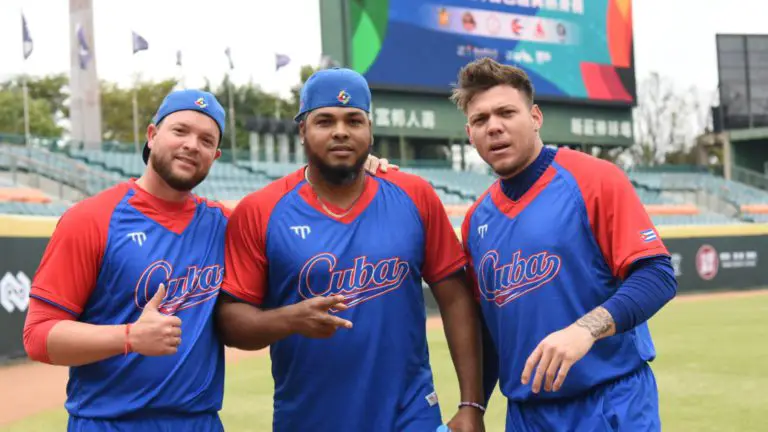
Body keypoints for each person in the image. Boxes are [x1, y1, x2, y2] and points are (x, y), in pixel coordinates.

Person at [22, 88, 394, 432]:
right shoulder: (92, 219)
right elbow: (38, 336)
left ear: (215, 156)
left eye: (206, 140)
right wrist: (130, 337)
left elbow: (299, 210)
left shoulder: (225, 225)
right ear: (152, 135)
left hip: (200, 422)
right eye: (180, 131)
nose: (191, 146)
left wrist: (358, 168)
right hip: (110, 422)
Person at [216, 67, 486, 432]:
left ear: (369, 130)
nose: (340, 131)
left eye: (354, 120)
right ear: (302, 130)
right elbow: (231, 323)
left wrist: (472, 403)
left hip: (410, 416)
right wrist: (289, 319)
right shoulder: (261, 209)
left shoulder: (414, 194)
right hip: (308, 418)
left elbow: (455, 298)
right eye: (325, 120)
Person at [452, 57, 677, 431]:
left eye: (506, 112)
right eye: (480, 120)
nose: (494, 127)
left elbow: (657, 275)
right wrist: (474, 406)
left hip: (609, 401)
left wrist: (585, 329)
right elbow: (491, 334)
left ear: (535, 117)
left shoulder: (593, 179)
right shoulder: (477, 219)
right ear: (469, 133)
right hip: (526, 415)